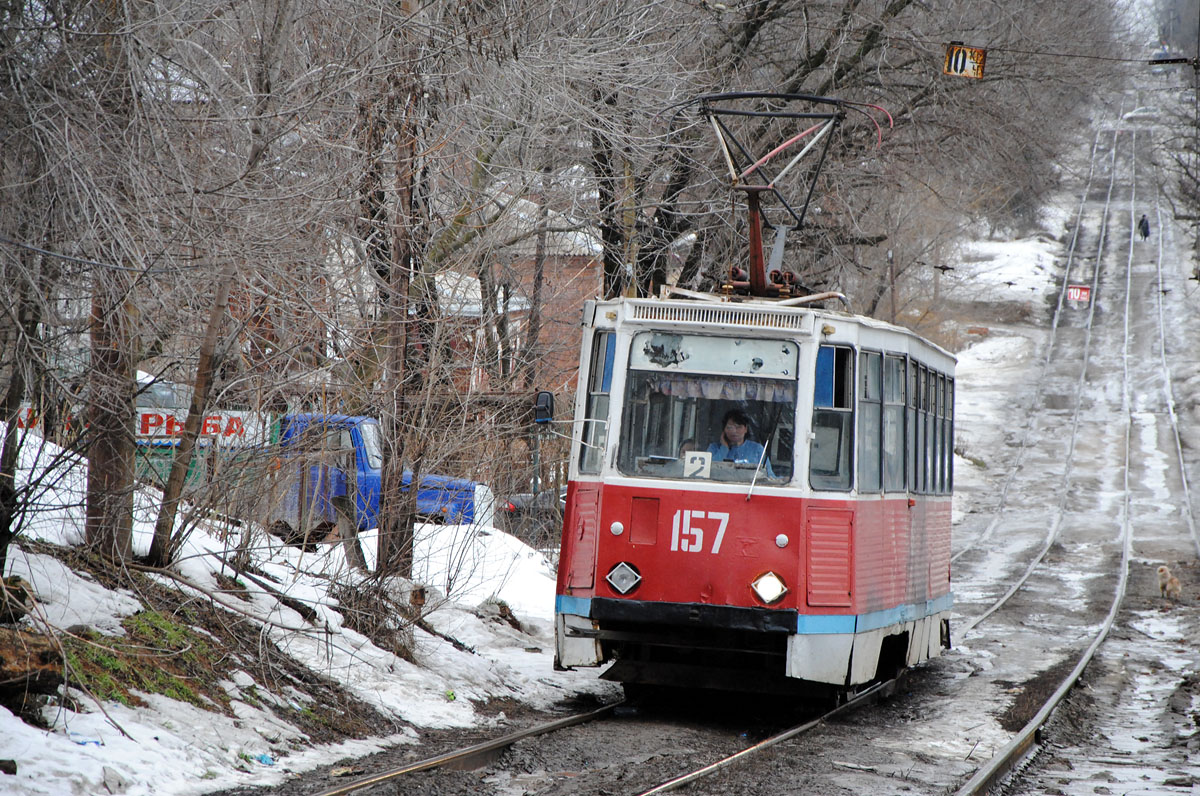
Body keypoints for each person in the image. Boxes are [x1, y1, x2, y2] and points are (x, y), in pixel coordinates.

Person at [706, 409, 774, 476]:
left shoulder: (757, 449)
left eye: (738, 427)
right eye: (730, 427)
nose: (734, 431)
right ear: (724, 430)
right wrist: (724, 448)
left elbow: (769, 475)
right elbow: (707, 471)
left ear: (746, 429)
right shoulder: (714, 448)